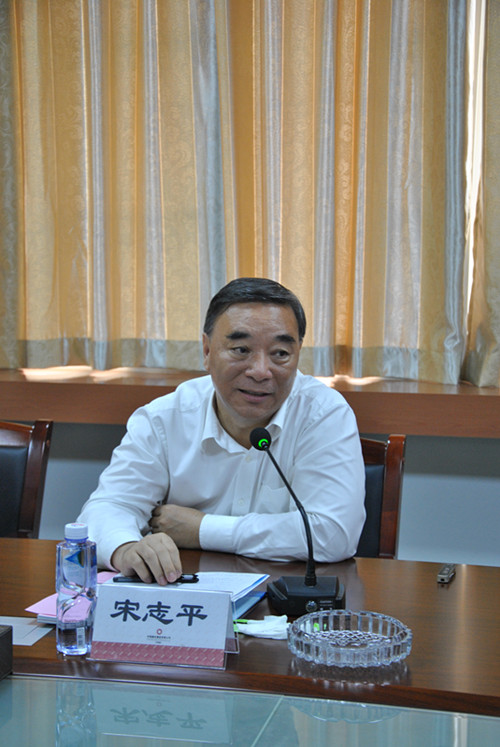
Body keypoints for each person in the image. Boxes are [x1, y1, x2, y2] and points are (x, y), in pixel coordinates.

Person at [78, 277, 365, 584]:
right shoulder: (164, 419)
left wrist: (202, 529)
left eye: (281, 353)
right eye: (241, 350)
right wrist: (125, 549)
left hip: (283, 598)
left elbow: (333, 534)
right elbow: (108, 507)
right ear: (207, 351)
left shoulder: (322, 414)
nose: (260, 371)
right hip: (183, 593)